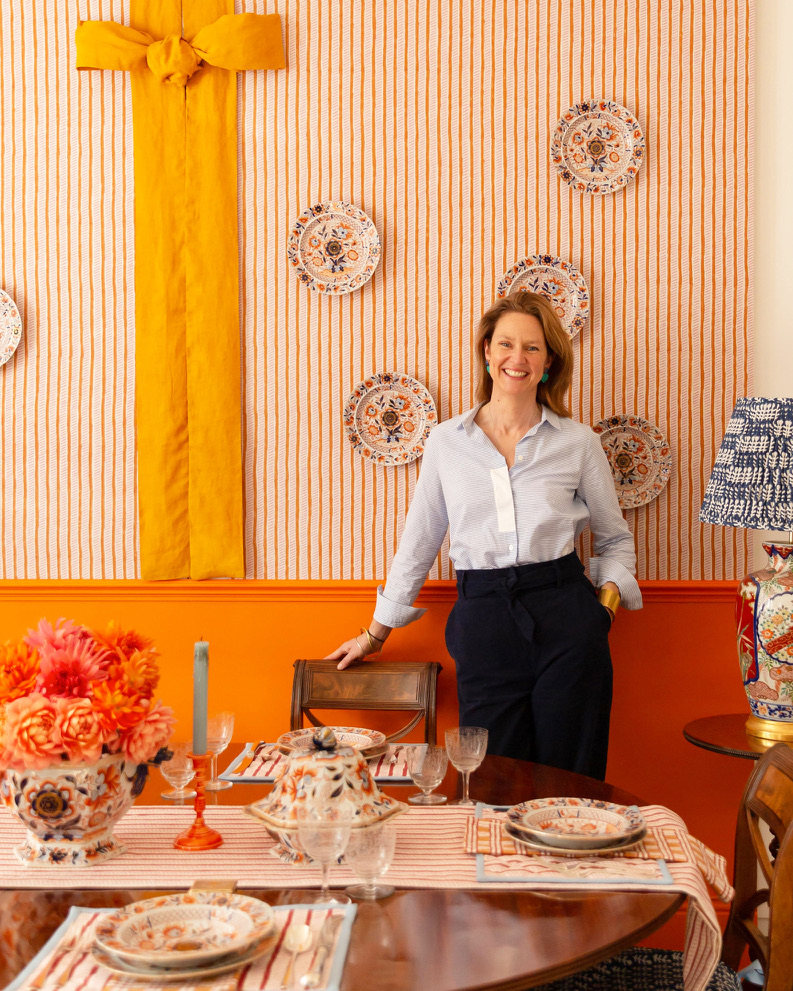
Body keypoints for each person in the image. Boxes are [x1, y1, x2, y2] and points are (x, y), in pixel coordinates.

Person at [326, 292, 641, 779]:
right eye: (507, 344)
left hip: (569, 618)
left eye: (533, 348)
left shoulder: (578, 443)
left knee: (572, 776)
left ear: (549, 361)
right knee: (492, 777)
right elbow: (420, 540)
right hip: (484, 619)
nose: (519, 358)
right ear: (487, 353)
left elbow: (615, 539)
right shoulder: (447, 443)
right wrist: (375, 635)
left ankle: (570, 856)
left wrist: (602, 611)